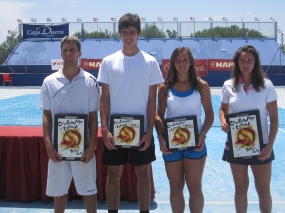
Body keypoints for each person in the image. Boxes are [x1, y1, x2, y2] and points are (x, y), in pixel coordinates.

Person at [97, 13, 163, 213]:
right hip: (114, 131)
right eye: (124, 32)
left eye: (132, 32)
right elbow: (104, 99)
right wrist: (105, 129)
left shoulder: (150, 62)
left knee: (143, 175)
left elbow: (153, 100)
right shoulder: (108, 62)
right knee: (113, 174)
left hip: (141, 129)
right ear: (119, 34)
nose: (128, 36)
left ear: (139, 33)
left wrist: (149, 131)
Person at [38, 36, 100, 213]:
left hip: (84, 147)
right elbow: (47, 116)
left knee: (89, 189)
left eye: (72, 49)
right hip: (58, 147)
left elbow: (93, 117)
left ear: (79, 53)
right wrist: (48, 145)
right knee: (59, 191)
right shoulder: (49, 82)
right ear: (61, 54)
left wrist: (91, 147)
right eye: (65, 50)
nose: (69, 53)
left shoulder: (90, 81)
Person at [219, 45, 279, 213]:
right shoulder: (228, 85)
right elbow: (223, 109)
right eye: (242, 60)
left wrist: (269, 147)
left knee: (263, 190)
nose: (246, 64)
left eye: (249, 60)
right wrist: (223, 120)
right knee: (240, 188)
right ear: (237, 63)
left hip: (262, 147)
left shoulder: (267, 85)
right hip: (236, 146)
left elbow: (274, 119)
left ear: (255, 62)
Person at [155, 46, 214, 213]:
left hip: (196, 144)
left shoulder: (202, 86)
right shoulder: (164, 88)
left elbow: (210, 115)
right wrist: (161, 137)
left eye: (185, 60)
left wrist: (203, 135)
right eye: (178, 60)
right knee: (175, 187)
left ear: (191, 62)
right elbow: (159, 116)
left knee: (195, 187)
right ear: (173, 63)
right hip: (171, 145)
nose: (182, 64)